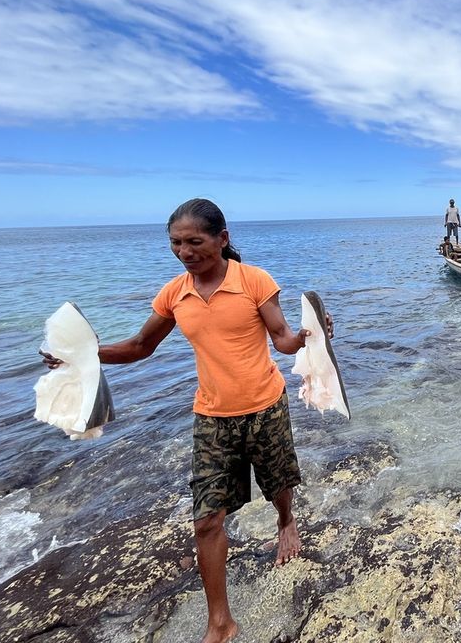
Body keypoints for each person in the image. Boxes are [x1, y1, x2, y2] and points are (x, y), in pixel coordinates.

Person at [40, 198, 332, 643]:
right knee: (206, 520)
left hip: (266, 404)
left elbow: (284, 341)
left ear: (222, 239)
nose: (185, 252)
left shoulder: (255, 281)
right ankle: (220, 621)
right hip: (212, 415)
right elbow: (140, 346)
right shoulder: (174, 293)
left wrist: (314, 335)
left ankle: (285, 521)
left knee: (278, 482)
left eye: (195, 242)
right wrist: (80, 355)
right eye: (176, 243)